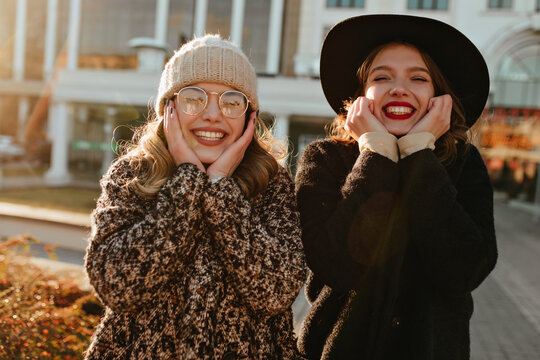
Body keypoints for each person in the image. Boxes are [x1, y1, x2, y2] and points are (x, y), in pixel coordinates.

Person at [84, 34, 306, 359]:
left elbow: (275, 292)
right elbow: (116, 285)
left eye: (231, 101)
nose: (213, 115)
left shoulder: (272, 183)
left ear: (249, 116)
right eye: (193, 98)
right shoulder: (131, 175)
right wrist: (187, 181)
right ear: (168, 109)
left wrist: (219, 188)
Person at [295, 15, 497, 360]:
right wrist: (376, 152)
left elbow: (465, 270)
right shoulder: (324, 159)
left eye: (418, 78)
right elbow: (336, 264)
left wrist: (419, 153)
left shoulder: (463, 164)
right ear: (360, 96)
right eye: (381, 77)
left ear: (439, 97)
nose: (398, 88)